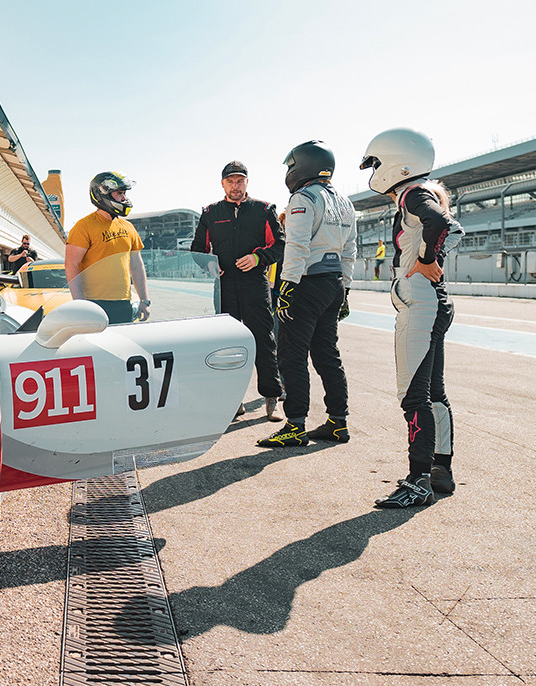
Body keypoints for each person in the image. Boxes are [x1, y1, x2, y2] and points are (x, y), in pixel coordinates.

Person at [361, 128, 464, 508]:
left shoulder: (412, 193)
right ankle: (440, 470)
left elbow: (439, 222)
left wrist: (425, 261)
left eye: (374, 162)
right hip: (433, 303)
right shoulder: (424, 190)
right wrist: (431, 259)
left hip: (420, 307)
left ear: (395, 161)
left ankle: (418, 480)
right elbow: (454, 228)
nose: (373, 170)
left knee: (413, 396)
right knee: (433, 393)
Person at [258, 141, 356, 448]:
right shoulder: (345, 201)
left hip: (305, 284)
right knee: (328, 355)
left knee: (291, 356)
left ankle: (295, 426)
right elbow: (350, 251)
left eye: (291, 165)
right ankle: (338, 423)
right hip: (334, 283)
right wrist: (347, 289)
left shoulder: (302, 197)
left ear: (303, 165)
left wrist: (286, 287)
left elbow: (297, 245)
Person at [191, 161, 285, 421]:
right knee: (227, 346)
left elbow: (280, 245)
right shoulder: (210, 213)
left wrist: (258, 259)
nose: (235, 186)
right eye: (230, 181)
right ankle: (233, 401)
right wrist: (209, 265)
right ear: (222, 184)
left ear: (247, 182)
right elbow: (197, 249)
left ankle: (271, 398)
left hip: (255, 284)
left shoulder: (264, 210)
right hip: (224, 286)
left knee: (264, 341)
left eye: (240, 181)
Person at [65, 172, 150, 324]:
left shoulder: (128, 227)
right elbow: (72, 265)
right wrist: (80, 305)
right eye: (119, 193)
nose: (124, 198)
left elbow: (137, 266)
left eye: (124, 193)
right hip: (93, 304)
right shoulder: (83, 226)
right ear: (103, 193)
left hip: (124, 303)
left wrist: (145, 300)